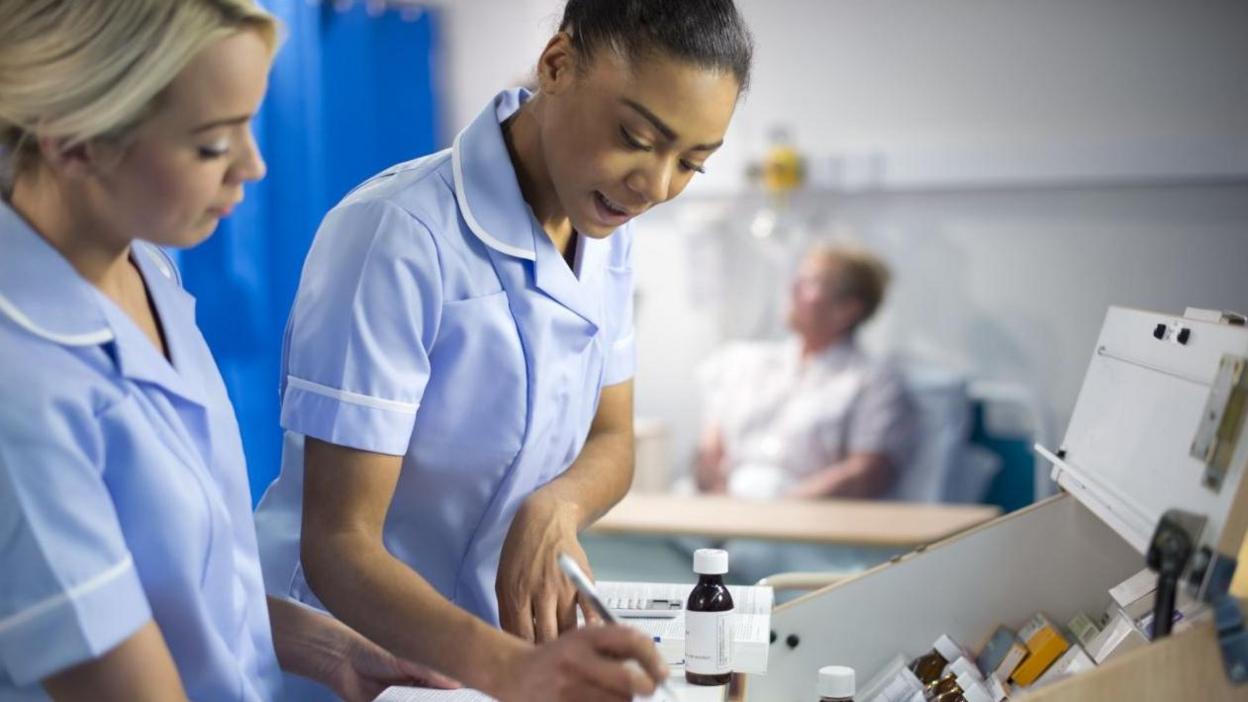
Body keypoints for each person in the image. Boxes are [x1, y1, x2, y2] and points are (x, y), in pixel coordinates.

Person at [252, 0, 754, 699]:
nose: (656, 185)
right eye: (637, 136)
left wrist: (557, 508)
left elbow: (613, 439)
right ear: (557, 65)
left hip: (481, 658)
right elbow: (339, 545)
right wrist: (511, 669)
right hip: (349, 656)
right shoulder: (395, 234)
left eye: (692, 163)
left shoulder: (604, 225)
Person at [0, 2, 457, 700]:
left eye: (250, 125)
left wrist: (331, 647)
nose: (254, 165)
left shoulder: (145, 267)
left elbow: (183, 588)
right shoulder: (21, 385)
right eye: (214, 143)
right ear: (74, 142)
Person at [695, 242, 918, 501]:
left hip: (802, 520)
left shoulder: (871, 381)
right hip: (722, 509)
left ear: (847, 309)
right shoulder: (747, 364)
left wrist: (779, 511)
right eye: (797, 279)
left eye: (811, 283)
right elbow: (710, 448)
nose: (792, 289)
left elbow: (867, 472)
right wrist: (720, 500)